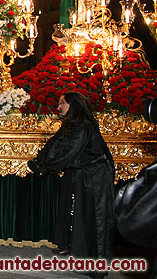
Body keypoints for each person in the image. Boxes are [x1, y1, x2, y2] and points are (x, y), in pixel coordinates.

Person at [28, 92, 115, 265]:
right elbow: (55, 144)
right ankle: (72, 246)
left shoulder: (83, 126)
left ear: (73, 106)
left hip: (93, 178)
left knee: (91, 219)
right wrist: (40, 161)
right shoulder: (72, 125)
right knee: (72, 211)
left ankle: (93, 260)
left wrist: (44, 167)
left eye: (62, 103)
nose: (59, 107)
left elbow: (67, 152)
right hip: (78, 173)